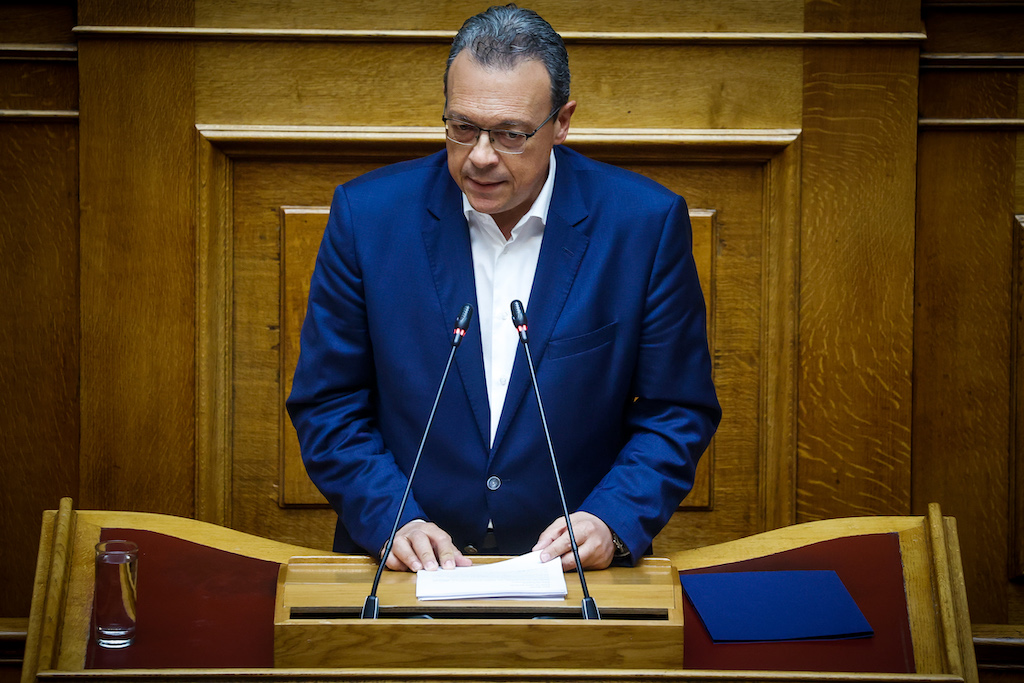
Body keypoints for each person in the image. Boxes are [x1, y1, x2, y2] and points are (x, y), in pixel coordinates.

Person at [286, 4, 720, 574]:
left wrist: (612, 519)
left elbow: (676, 409)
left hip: (574, 576)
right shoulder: (367, 217)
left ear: (561, 122)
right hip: (403, 570)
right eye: (463, 127)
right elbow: (328, 403)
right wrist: (392, 518)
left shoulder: (642, 224)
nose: (481, 156)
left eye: (511, 134)